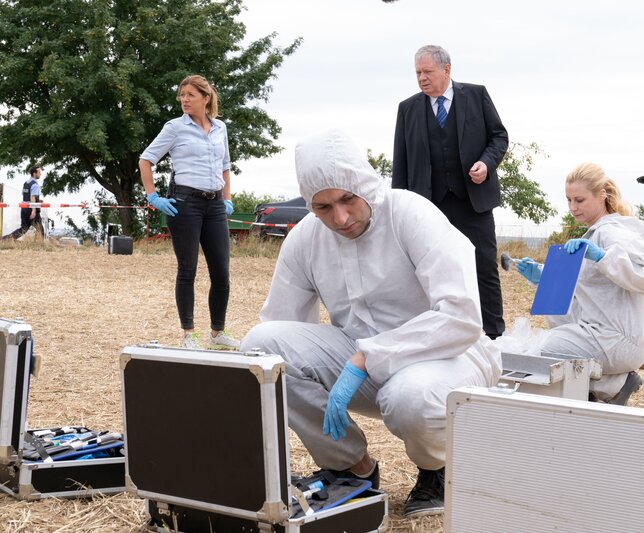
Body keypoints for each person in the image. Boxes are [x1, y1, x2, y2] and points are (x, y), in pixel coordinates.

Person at [241, 129, 501, 517]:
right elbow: (281, 327)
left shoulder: (409, 213)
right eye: (323, 207)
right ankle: (350, 467)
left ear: (365, 184)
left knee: (409, 398)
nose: (340, 218)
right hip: (360, 359)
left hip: (449, 355)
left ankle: (436, 468)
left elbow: (460, 317)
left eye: (347, 199)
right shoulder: (306, 238)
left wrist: (368, 357)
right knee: (263, 347)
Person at [392, 44, 509, 340]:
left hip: (473, 203)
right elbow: (401, 162)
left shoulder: (476, 94)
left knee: (484, 269)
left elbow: (499, 137)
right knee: (428, 275)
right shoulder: (407, 109)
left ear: (446, 70)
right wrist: (398, 208)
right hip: (427, 208)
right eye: (417, 72)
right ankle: (437, 336)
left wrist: (486, 162)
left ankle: (494, 337)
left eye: (427, 71)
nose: (421, 78)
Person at [515, 163, 644, 405]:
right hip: (607, 334)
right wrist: (543, 277)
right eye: (568, 200)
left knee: (532, 352)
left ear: (602, 194)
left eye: (579, 200)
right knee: (541, 344)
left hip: (616, 337)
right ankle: (613, 381)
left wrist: (603, 256)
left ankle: (611, 385)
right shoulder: (594, 234)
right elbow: (584, 292)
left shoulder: (614, 232)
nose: (572, 207)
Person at [139, 74, 239, 351]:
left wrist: (227, 199)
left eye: (190, 95)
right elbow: (146, 160)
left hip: (215, 205)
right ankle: (189, 334)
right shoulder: (174, 128)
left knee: (221, 271)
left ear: (205, 98)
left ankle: (217, 333)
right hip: (185, 204)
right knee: (188, 269)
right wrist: (153, 197)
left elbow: (225, 166)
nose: (184, 99)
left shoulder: (221, 128)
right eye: (182, 94)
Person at [20, 165, 44, 238]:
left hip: (24, 207)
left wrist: (38, 200)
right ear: (34, 173)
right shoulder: (35, 184)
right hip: (31, 208)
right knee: (40, 229)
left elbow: (25, 195)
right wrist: (33, 211)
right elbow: (32, 197)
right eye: (39, 172)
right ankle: (43, 245)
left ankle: (5, 239)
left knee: (23, 229)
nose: (40, 173)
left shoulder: (26, 183)